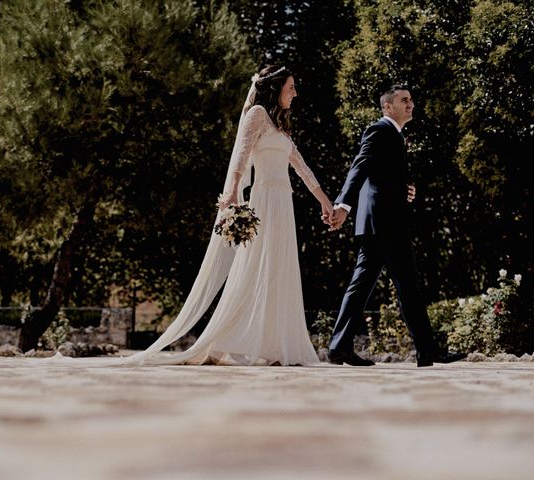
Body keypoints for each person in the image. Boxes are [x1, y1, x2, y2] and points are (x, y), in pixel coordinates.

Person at [115, 65, 334, 366]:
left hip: (284, 204)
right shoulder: (257, 114)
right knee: (255, 267)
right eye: (291, 86)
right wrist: (231, 193)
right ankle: (225, 342)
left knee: (279, 269)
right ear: (275, 87)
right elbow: (241, 157)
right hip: (263, 200)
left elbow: (301, 167)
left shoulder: (282, 125)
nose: (295, 92)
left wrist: (325, 202)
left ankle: (273, 345)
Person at [326, 85, 467, 367]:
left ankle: (339, 346)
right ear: (387, 107)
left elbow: (383, 175)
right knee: (407, 286)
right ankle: (428, 351)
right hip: (384, 221)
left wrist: (406, 187)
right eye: (404, 100)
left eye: (412, 100)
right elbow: (360, 166)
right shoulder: (379, 130)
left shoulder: (396, 135)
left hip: (382, 220)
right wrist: (343, 204)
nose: (411, 104)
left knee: (366, 285)